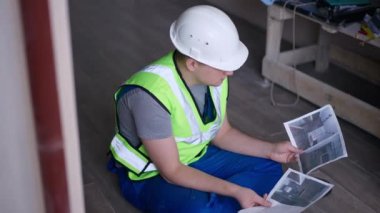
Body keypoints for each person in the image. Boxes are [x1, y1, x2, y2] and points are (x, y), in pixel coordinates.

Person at [107, 5, 302, 212]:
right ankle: (228, 201)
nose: (230, 72)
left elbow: (223, 134)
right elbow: (171, 171)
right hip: (149, 175)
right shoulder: (149, 95)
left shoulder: (215, 77)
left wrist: (271, 150)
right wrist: (235, 190)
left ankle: (226, 201)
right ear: (192, 64)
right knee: (200, 208)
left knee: (269, 166)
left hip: (197, 157)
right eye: (223, 65)